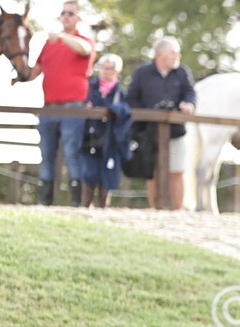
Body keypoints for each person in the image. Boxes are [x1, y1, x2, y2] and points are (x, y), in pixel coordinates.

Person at [28, 0, 94, 206]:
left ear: (78, 18)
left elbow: (84, 50)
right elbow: (35, 71)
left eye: (71, 13)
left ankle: (76, 203)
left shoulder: (83, 40)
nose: (66, 16)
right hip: (49, 107)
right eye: (63, 13)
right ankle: (44, 201)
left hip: (73, 108)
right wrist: (18, 76)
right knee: (46, 153)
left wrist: (63, 36)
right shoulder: (49, 44)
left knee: (71, 153)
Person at [125, 36, 195, 210]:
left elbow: (190, 92)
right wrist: (149, 113)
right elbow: (131, 98)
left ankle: (178, 210)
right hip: (150, 131)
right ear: (160, 54)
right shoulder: (142, 72)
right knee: (152, 171)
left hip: (176, 129)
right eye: (173, 52)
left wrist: (188, 104)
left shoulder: (182, 72)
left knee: (178, 170)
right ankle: (155, 208)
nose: (177, 55)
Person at [79, 54, 129, 208]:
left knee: (106, 175)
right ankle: (85, 206)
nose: (106, 71)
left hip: (110, 141)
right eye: (103, 67)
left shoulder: (121, 94)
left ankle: (103, 207)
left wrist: (113, 110)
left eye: (110, 68)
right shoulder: (88, 88)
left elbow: (125, 112)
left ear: (117, 72)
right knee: (89, 174)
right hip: (89, 138)